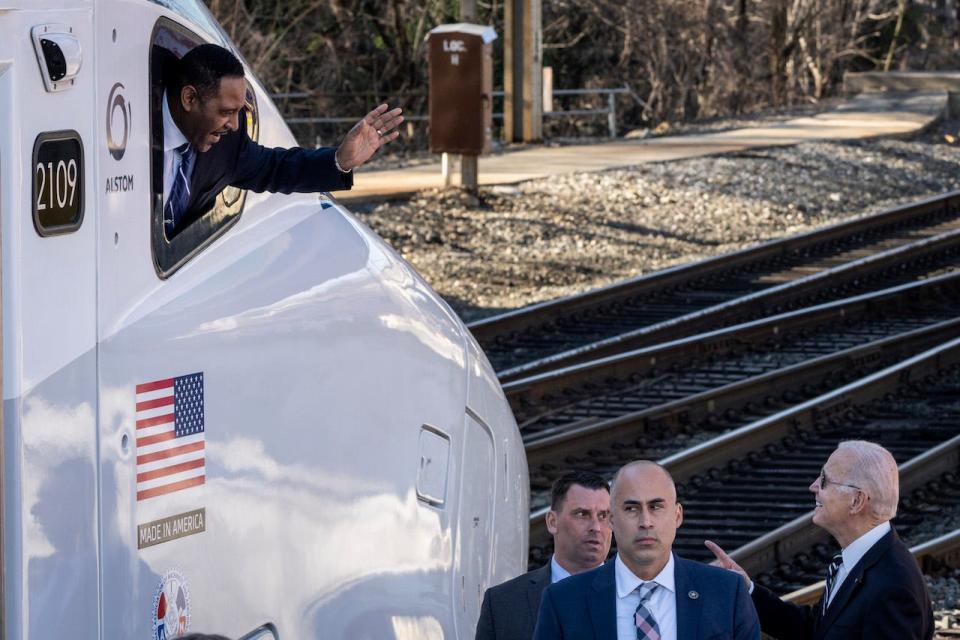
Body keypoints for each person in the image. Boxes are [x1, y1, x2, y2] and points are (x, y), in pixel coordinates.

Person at [161, 43, 402, 234]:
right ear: (189, 99)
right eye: (226, 112)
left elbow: (275, 167)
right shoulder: (131, 129)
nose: (234, 125)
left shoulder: (227, 145)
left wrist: (340, 160)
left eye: (238, 112)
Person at [706, 440, 934, 640]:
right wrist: (747, 590)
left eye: (825, 480)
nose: (813, 487)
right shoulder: (859, 558)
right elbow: (816, 630)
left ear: (856, 501)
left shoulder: (893, 586)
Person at [534, 460, 759, 640]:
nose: (646, 521)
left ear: (677, 515)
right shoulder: (563, 601)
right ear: (611, 519)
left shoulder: (726, 593)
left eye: (656, 507)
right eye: (631, 508)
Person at [475, 471, 613, 640]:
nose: (596, 527)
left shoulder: (641, 599)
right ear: (552, 522)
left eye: (604, 516)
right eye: (582, 514)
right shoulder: (502, 603)